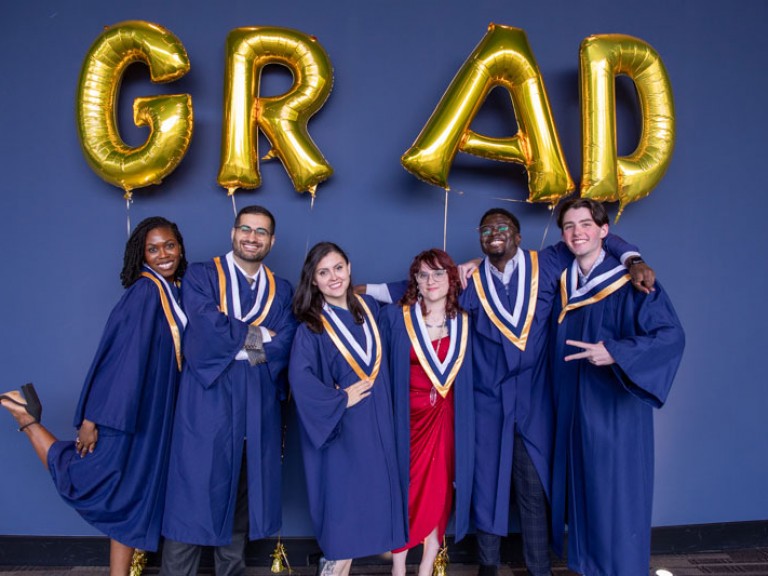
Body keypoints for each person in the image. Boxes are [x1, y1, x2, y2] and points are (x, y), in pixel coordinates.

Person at [364, 208, 653, 576]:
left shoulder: (546, 264)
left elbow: (595, 238)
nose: (494, 233)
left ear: (518, 236)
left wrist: (633, 258)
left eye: (503, 228)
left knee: (533, 490)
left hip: (534, 399)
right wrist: (360, 289)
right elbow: (414, 288)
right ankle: (488, 567)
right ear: (480, 239)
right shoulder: (469, 280)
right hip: (487, 402)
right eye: (486, 230)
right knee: (486, 485)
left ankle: (538, 569)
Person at [0, 216, 188, 576]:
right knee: (96, 481)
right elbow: (120, 361)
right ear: (141, 255)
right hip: (127, 413)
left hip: (151, 413)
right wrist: (92, 419)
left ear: (180, 247)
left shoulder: (172, 289)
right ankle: (25, 416)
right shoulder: (145, 293)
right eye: (153, 248)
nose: (163, 254)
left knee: (131, 497)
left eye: (169, 245)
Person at [550, 198, 685, 576]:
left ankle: (625, 570)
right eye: (570, 226)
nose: (578, 232)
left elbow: (671, 336)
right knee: (587, 494)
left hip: (614, 408)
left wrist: (616, 352)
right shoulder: (563, 276)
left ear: (605, 232)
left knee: (618, 494)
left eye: (587, 225)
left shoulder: (634, 281)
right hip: (574, 406)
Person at [161, 205, 297, 576]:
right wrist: (258, 338)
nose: (252, 237)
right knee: (192, 491)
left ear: (272, 240)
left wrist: (238, 340)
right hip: (208, 399)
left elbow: (285, 341)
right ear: (233, 232)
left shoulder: (280, 289)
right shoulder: (202, 276)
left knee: (241, 492)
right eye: (246, 229)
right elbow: (205, 329)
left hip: (256, 402)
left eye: (261, 232)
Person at [288, 242, 406, 576]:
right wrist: (340, 400)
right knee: (343, 521)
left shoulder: (370, 307)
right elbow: (301, 379)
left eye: (338, 268)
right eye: (323, 272)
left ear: (349, 267)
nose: (333, 277)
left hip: (377, 426)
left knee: (365, 517)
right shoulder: (310, 327)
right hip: (342, 433)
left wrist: (465, 267)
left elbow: (413, 289)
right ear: (313, 280)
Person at [378, 249, 474, 576]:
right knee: (405, 491)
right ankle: (399, 568)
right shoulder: (396, 318)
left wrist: (475, 263)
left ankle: (427, 566)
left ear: (451, 278)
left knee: (439, 490)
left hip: (445, 420)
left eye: (438, 274)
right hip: (406, 421)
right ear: (415, 281)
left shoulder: (464, 321)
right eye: (423, 274)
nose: (431, 281)